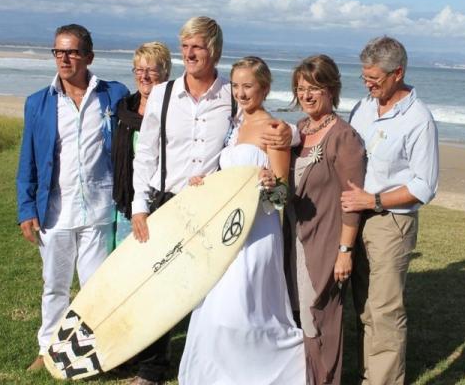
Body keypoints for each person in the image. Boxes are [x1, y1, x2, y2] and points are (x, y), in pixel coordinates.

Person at [130, 17, 294, 385]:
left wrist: (291, 131)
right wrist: (140, 205)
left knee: (215, 296)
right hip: (167, 202)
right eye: (184, 46)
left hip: (218, 213)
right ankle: (151, 371)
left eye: (197, 46)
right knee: (159, 287)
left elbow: (267, 136)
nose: (189, 54)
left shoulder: (229, 98)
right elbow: (145, 155)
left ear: (213, 50)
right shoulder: (162, 94)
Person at [178, 56, 305, 384]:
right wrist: (204, 184)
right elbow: (229, 180)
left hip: (258, 231)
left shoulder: (273, 129)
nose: (241, 93)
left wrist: (269, 185)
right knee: (215, 309)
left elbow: (281, 196)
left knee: (243, 310)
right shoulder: (233, 126)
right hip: (227, 232)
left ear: (263, 88)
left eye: (248, 86)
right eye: (236, 86)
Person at [16, 24, 128, 371]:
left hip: (99, 210)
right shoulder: (38, 102)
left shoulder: (114, 94)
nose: (64, 58)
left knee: (95, 288)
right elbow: (28, 160)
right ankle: (47, 348)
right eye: (58, 51)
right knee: (55, 287)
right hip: (55, 213)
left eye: (72, 51)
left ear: (88, 56)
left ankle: (94, 349)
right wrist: (26, 208)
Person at [341, 36, 439, 385]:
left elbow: (424, 186)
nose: (368, 84)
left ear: (397, 73)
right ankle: (369, 374)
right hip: (356, 217)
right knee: (363, 307)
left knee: (384, 310)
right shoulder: (363, 106)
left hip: (391, 222)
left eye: (375, 79)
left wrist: (374, 201)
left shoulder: (418, 119)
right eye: (364, 77)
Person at [285, 54, 366, 384]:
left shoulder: (344, 137)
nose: (306, 95)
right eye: (300, 88)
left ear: (332, 90)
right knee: (298, 316)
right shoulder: (299, 130)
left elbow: (353, 200)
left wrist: (345, 252)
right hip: (292, 238)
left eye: (314, 88)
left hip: (324, 242)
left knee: (321, 318)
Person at [112, 42, 171, 246]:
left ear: (165, 73)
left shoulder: (175, 110)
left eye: (151, 70)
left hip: (162, 204)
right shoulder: (124, 109)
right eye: (139, 69)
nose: (143, 76)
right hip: (127, 203)